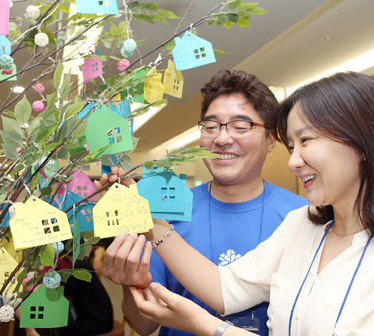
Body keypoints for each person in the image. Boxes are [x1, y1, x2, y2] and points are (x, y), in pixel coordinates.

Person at [110, 72, 374, 335]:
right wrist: (147, 217)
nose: (293, 161)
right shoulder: (303, 225)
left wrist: (208, 327)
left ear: (367, 139)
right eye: (292, 145)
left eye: (306, 141)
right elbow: (226, 288)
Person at [99, 70, 307, 336]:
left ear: (270, 140)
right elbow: (144, 325)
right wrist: (130, 284)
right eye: (211, 126)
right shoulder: (164, 214)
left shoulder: (301, 217)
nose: (221, 139)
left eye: (240, 126)